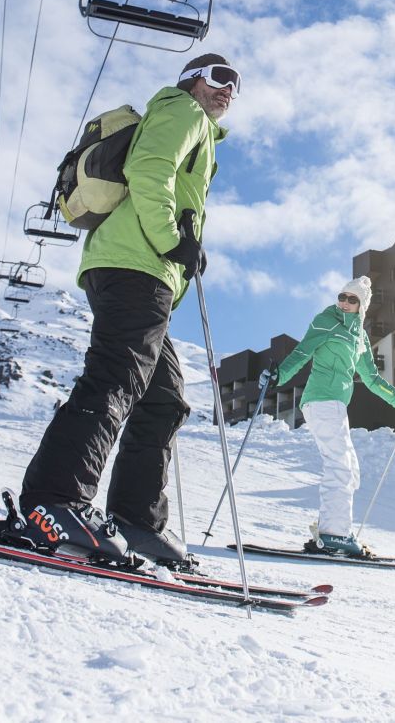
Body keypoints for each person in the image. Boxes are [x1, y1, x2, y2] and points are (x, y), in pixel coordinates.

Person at [19, 53, 239, 564]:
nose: (228, 88)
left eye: (236, 83)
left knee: (163, 399)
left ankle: (135, 519)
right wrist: (171, 240)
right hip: (136, 263)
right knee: (118, 375)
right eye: (219, 77)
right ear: (192, 81)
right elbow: (148, 167)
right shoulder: (182, 110)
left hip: (144, 269)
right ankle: (54, 500)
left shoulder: (197, 127)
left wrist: (177, 250)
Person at [261, 275, 395, 558]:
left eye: (352, 300)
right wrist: (277, 376)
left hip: (335, 405)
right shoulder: (326, 320)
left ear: (362, 306)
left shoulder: (359, 336)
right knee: (340, 467)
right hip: (321, 400)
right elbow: (301, 352)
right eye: (342, 297)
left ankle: (329, 529)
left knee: (350, 469)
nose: (344, 303)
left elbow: (372, 379)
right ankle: (334, 534)